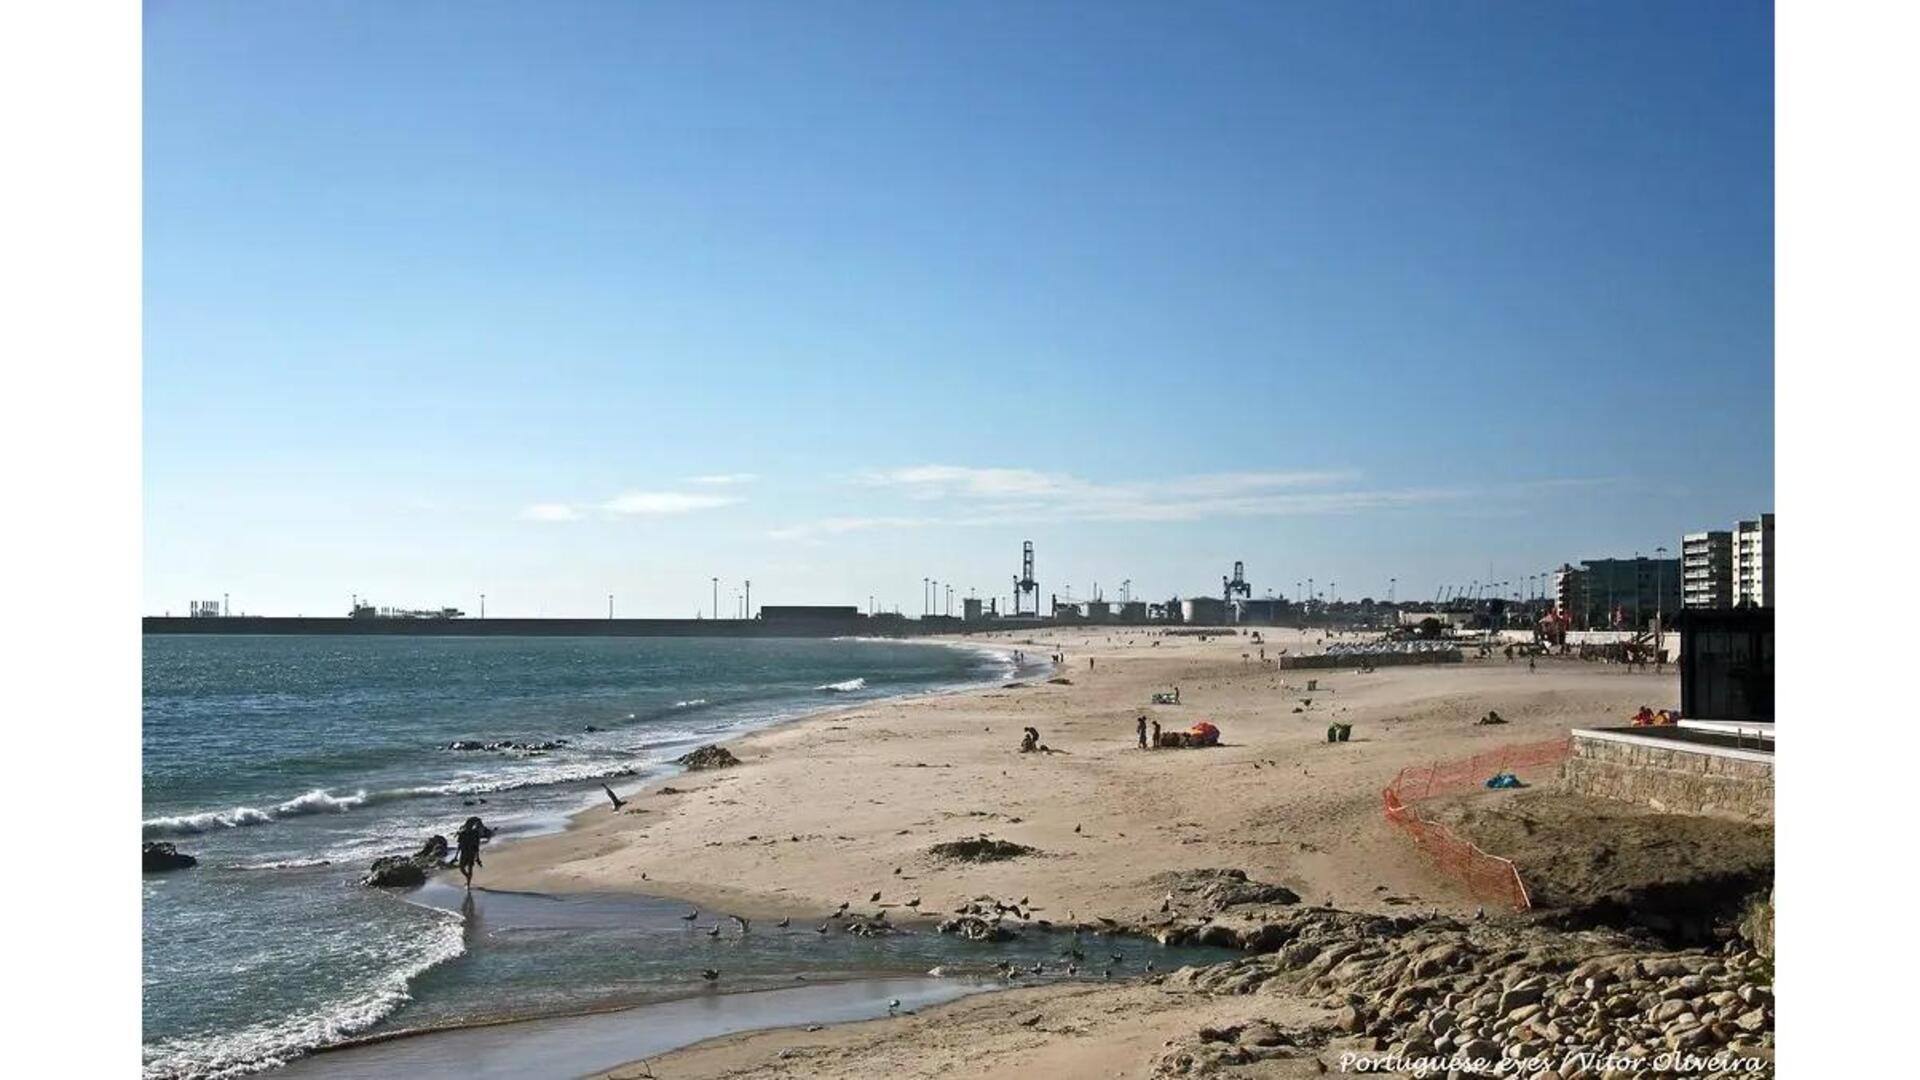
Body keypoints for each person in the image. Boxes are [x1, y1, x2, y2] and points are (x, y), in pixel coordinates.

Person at [455, 816, 493, 889]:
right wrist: (456, 856)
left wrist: (477, 857)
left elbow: (477, 846)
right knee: (461, 868)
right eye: (469, 824)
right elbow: (459, 845)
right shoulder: (462, 833)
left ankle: (468, 884)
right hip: (464, 852)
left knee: (469, 868)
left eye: (471, 824)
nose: (469, 826)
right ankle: (468, 877)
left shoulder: (475, 834)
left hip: (471, 852)